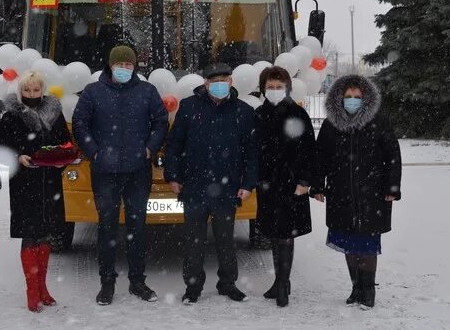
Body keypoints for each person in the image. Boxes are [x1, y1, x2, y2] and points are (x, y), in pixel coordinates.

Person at [72, 45, 168, 306]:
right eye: (120, 65)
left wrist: (150, 147)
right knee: (107, 227)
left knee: (138, 228)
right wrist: (94, 152)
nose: (125, 69)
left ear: (135, 67)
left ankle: (138, 281)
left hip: (138, 172)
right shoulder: (93, 92)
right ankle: (107, 283)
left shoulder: (147, 91)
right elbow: (80, 124)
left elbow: (161, 121)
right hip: (105, 173)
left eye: (129, 65)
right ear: (110, 65)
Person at [164, 62, 258, 304]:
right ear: (205, 84)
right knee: (193, 241)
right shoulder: (188, 107)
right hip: (193, 187)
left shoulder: (244, 112)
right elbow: (174, 145)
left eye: (224, 80)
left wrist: (248, 184)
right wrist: (172, 176)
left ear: (231, 82)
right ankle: (193, 288)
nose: (219, 85)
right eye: (214, 81)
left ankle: (228, 284)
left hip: (227, 189)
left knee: (226, 241)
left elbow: (251, 153)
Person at [311, 74, 402, 309]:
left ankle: (368, 288)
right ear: (339, 98)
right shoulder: (332, 124)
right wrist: (318, 185)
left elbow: (392, 155)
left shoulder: (378, 121)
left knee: (368, 243)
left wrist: (392, 187)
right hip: (341, 193)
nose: (352, 100)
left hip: (372, 193)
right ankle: (355, 287)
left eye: (357, 97)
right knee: (349, 243)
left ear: (365, 98)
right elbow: (321, 157)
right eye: (348, 96)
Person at [0, 70, 71, 312]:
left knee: (46, 233)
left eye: (36, 90)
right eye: (27, 90)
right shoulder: (11, 116)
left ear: (42, 90)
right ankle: (32, 291)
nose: (32, 94)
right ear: (21, 91)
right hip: (24, 183)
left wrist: (62, 156)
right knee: (30, 234)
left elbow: (65, 141)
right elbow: (3, 148)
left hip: (49, 181)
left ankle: (43, 288)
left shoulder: (54, 113)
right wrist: (18, 156)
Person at [255, 66, 316, 307]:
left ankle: (282, 285)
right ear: (263, 89)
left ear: (287, 88)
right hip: (267, 184)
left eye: (279, 87)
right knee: (273, 232)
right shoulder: (259, 114)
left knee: (286, 234)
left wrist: (304, 181)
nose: (274, 90)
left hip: (292, 185)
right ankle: (281, 281)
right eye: (270, 87)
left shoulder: (297, 114)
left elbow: (309, 151)